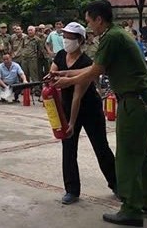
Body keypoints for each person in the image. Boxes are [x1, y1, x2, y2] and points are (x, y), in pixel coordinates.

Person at [51, 0, 147, 227]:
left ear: (99, 19)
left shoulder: (110, 37)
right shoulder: (117, 34)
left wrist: (65, 81)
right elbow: (94, 68)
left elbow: (95, 72)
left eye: (90, 21)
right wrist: (64, 72)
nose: (89, 26)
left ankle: (131, 209)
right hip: (141, 99)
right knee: (141, 153)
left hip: (134, 100)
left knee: (127, 155)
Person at [49, 22, 116, 205]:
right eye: (64, 36)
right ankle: (72, 190)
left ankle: (116, 184)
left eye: (70, 37)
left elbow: (78, 96)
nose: (66, 40)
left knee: (101, 147)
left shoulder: (87, 62)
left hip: (89, 109)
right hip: (66, 107)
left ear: (79, 40)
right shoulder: (61, 55)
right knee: (68, 148)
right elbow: (52, 77)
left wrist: (71, 122)